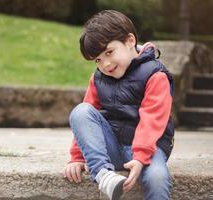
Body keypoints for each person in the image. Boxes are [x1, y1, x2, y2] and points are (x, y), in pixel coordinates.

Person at [62, 10, 174, 200]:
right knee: (81, 112)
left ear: (130, 40)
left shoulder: (155, 75)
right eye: (98, 59)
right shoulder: (98, 78)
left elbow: (152, 120)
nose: (105, 64)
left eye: (109, 52)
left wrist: (140, 157)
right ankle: (103, 175)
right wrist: (77, 157)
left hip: (148, 149)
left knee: (157, 177)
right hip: (112, 147)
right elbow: (87, 121)